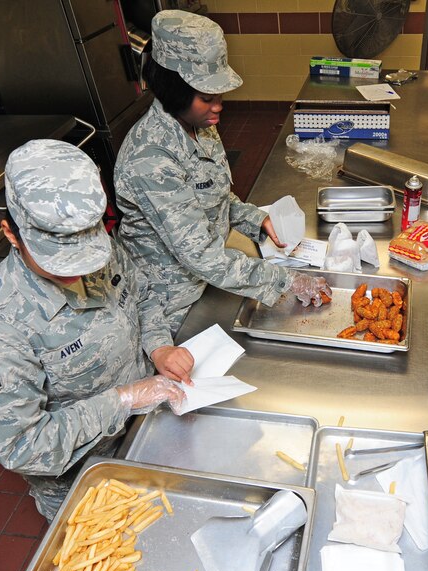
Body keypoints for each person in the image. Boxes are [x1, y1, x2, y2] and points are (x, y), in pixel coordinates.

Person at [0, 139, 196, 520]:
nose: (81, 271)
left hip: (150, 437)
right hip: (90, 490)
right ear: (11, 234)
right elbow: (23, 447)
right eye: (59, 261)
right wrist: (124, 400)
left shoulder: (96, 245)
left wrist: (159, 347)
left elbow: (142, 294)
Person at [114, 10, 330, 335]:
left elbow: (215, 196)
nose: (219, 106)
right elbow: (199, 253)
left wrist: (257, 219)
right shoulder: (151, 158)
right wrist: (287, 280)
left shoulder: (199, 124)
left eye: (219, 95)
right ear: (174, 89)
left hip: (210, 281)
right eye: (207, 97)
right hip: (170, 306)